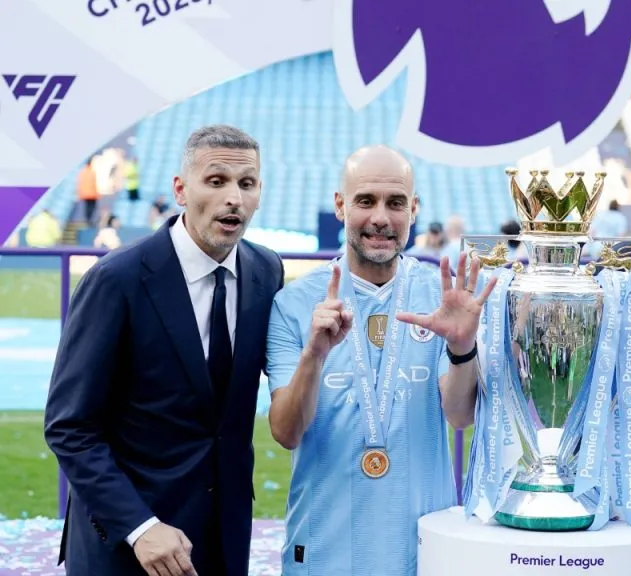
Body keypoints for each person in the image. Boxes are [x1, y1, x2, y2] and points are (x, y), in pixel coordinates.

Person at [43, 124, 284, 576]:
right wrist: (139, 527)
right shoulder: (116, 279)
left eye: (247, 183)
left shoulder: (265, 271)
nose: (234, 197)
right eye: (216, 181)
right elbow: (70, 427)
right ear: (180, 189)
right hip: (127, 544)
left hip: (223, 539)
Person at [266, 145, 495, 575]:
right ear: (340, 205)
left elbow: (460, 416)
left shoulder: (440, 297)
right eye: (366, 201)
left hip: (420, 549)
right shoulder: (294, 303)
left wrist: (462, 347)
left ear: (414, 209)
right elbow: (286, 432)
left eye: (395, 203)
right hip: (324, 548)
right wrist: (314, 355)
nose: (380, 218)